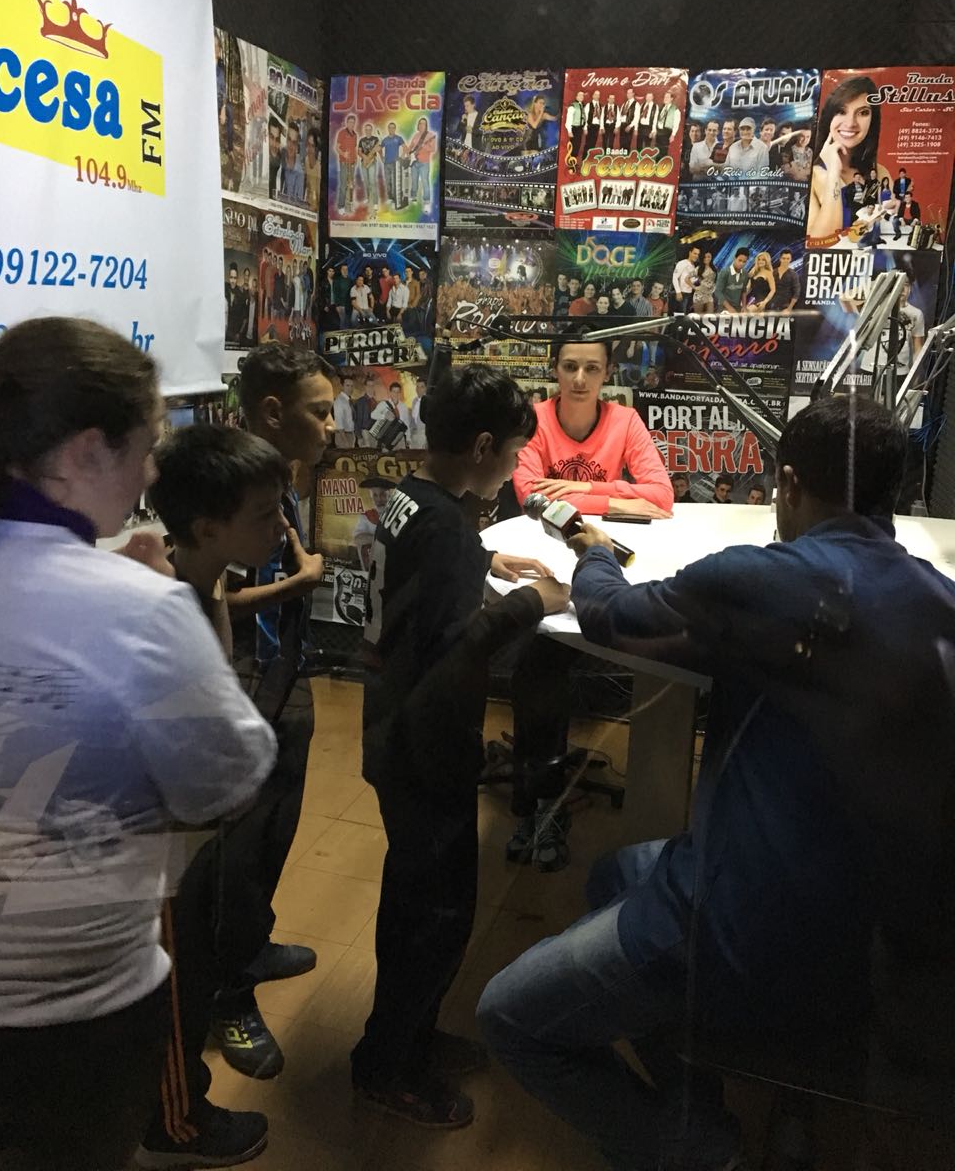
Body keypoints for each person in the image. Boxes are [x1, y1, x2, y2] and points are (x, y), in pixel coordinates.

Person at [478, 395, 955, 1171]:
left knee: (508, 1016)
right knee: (615, 873)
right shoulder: (939, 598)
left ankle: (697, 1148)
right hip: (889, 931)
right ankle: (704, 1084)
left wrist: (592, 547)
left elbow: (609, 615)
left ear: (788, 483)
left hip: (747, 917)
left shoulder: (760, 580)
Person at [0, 319, 276, 1171]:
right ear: (87, 451)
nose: (153, 473)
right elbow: (227, 782)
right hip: (74, 1014)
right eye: (146, 448)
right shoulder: (140, 608)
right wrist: (178, 609)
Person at [351, 365, 569, 1127]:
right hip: (427, 745)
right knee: (435, 918)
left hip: (392, 727)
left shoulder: (415, 499)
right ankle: (388, 1064)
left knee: (415, 901)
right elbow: (458, 650)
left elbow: (424, 580)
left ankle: (409, 1036)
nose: (513, 467)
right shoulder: (447, 527)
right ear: (482, 447)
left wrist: (483, 561)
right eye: (511, 452)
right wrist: (529, 603)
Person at [141, 425, 303, 1168]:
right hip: (162, 852)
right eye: (265, 514)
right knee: (174, 984)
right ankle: (175, 1122)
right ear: (207, 527)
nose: (281, 527)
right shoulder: (168, 610)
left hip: (190, 837)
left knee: (195, 967)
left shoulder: (201, 585)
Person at [208, 345, 337, 1080]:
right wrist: (300, 584)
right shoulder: (232, 486)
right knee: (240, 855)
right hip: (244, 687)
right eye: (319, 411)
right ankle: (228, 995)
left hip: (285, 675)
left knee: (275, 835)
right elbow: (216, 599)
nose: (331, 424)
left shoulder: (280, 478)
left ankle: (251, 947)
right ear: (271, 412)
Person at [507, 333, 673, 869]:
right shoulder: (535, 420)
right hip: (544, 561)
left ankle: (543, 801)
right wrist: (619, 493)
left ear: (607, 374)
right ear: (555, 370)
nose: (580, 379)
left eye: (592, 369)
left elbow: (661, 497)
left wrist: (577, 490)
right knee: (538, 664)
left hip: (604, 562)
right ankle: (537, 804)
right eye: (570, 367)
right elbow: (528, 496)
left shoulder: (625, 421)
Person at [808, 75, 886, 241]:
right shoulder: (809, 177)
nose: (851, 123)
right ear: (829, 117)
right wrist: (833, 174)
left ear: (873, 120)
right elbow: (819, 242)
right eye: (841, 111)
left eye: (863, 113)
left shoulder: (879, 173)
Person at [406, 116, 438, 213]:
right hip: (414, 162)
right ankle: (413, 197)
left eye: (423, 123)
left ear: (426, 125)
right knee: (414, 181)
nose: (421, 125)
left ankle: (427, 203)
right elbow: (410, 147)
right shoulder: (416, 135)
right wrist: (408, 154)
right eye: (420, 123)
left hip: (424, 163)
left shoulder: (431, 135)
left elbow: (433, 149)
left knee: (425, 183)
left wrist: (424, 145)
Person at [371, 380, 411, 450]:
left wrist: (408, 438)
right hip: (385, 436)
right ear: (390, 392)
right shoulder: (384, 404)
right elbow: (373, 415)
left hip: (399, 438)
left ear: (400, 393)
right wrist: (384, 416)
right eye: (394, 391)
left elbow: (407, 423)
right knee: (387, 455)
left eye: (398, 392)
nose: (396, 394)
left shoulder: (404, 407)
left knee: (400, 455)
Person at [713, 248, 752, 313]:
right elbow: (717, 292)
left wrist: (744, 306)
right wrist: (729, 308)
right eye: (740, 260)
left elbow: (743, 290)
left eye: (744, 262)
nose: (741, 263)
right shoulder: (725, 272)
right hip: (723, 308)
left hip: (737, 308)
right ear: (735, 258)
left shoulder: (745, 274)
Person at [335, 113, 359, 215]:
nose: (351, 124)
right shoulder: (342, 133)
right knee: (343, 185)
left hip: (352, 163)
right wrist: (343, 154)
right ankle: (341, 206)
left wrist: (356, 158)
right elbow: (337, 147)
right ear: (347, 122)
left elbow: (354, 148)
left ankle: (350, 204)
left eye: (353, 122)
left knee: (351, 184)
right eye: (350, 122)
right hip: (344, 163)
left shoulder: (355, 135)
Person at [358, 122, 382, 213]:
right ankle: (368, 198)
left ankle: (375, 202)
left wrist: (377, 150)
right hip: (364, 162)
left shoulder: (376, 139)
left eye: (369, 129)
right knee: (366, 182)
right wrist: (365, 157)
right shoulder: (361, 140)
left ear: (371, 130)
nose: (368, 131)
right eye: (366, 129)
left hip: (372, 162)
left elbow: (379, 149)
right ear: (365, 130)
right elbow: (359, 152)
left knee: (372, 182)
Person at [279, 119, 305, 202]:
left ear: (297, 145)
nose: (290, 145)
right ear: (286, 139)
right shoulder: (279, 158)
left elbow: (298, 201)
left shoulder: (300, 173)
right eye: (289, 139)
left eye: (294, 142)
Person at [381, 121, 404, 205]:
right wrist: (381, 157)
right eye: (390, 128)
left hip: (395, 164)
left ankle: (395, 199)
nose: (391, 129)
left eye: (393, 128)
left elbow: (405, 148)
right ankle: (390, 198)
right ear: (388, 129)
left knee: (395, 182)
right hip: (386, 164)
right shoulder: (385, 140)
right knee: (388, 182)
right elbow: (379, 148)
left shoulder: (398, 138)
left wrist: (401, 157)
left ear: (395, 129)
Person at [671, 245, 700, 314]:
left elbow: (690, 281)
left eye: (698, 254)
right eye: (695, 253)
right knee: (680, 316)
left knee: (686, 315)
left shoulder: (693, 266)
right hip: (682, 294)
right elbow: (675, 277)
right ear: (690, 252)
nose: (696, 256)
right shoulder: (682, 263)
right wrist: (678, 292)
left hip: (689, 294)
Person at [770, 248, 800, 312]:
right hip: (770, 305)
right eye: (783, 258)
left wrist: (789, 309)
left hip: (784, 306)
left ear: (790, 259)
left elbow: (796, 293)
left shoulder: (793, 274)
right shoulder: (772, 272)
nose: (785, 261)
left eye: (788, 259)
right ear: (780, 259)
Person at [654, 90, 680, 158]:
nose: (665, 98)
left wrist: (673, 135)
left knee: (663, 151)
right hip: (658, 132)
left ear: (671, 99)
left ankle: (662, 163)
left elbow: (676, 123)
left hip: (666, 133)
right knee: (657, 151)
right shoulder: (661, 107)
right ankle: (657, 163)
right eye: (665, 97)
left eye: (667, 97)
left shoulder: (675, 110)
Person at [333, 374, 357, 448]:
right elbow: (339, 423)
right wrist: (345, 441)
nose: (350, 388)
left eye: (352, 386)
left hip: (350, 434)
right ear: (342, 386)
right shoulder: (339, 401)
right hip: (343, 436)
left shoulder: (348, 400)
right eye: (347, 385)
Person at [693, 249, 718, 314]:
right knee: (699, 317)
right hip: (699, 295)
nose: (707, 258)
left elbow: (714, 281)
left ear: (711, 257)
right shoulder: (698, 269)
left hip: (709, 295)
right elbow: (687, 279)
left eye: (709, 257)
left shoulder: (714, 268)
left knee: (710, 316)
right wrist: (694, 287)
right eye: (705, 257)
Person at [303, 126, 320, 213]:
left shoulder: (319, 167)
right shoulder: (306, 160)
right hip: (307, 207)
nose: (309, 149)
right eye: (308, 144)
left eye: (312, 146)